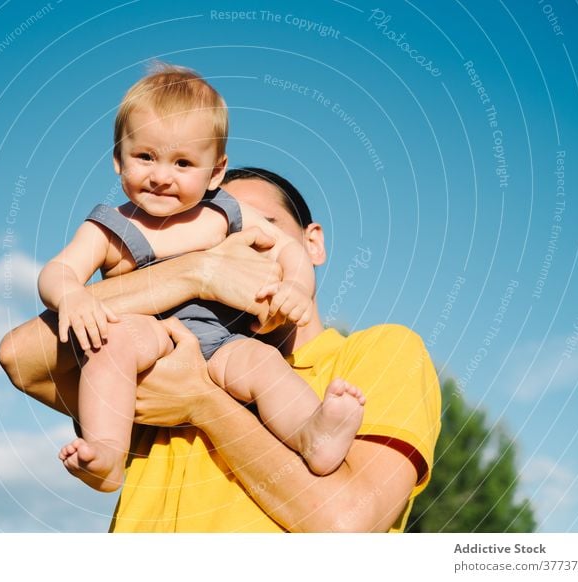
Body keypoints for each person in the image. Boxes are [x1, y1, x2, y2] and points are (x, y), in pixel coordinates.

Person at [0, 166, 442, 532]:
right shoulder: (159, 364)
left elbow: (344, 524)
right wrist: (195, 273)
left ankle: (311, 431)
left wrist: (201, 402)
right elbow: (22, 355)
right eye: (212, 242)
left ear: (312, 243)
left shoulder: (381, 350)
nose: (236, 252)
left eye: (264, 229)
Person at [39, 64, 365, 492]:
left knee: (263, 364)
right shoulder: (108, 228)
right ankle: (106, 452)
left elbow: (287, 248)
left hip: (222, 339)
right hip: (152, 337)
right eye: (145, 156)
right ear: (119, 159)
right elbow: (57, 272)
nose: (161, 175)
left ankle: (312, 434)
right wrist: (73, 298)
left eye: (183, 162)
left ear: (215, 172)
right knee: (110, 344)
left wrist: (296, 288)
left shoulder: (222, 214)